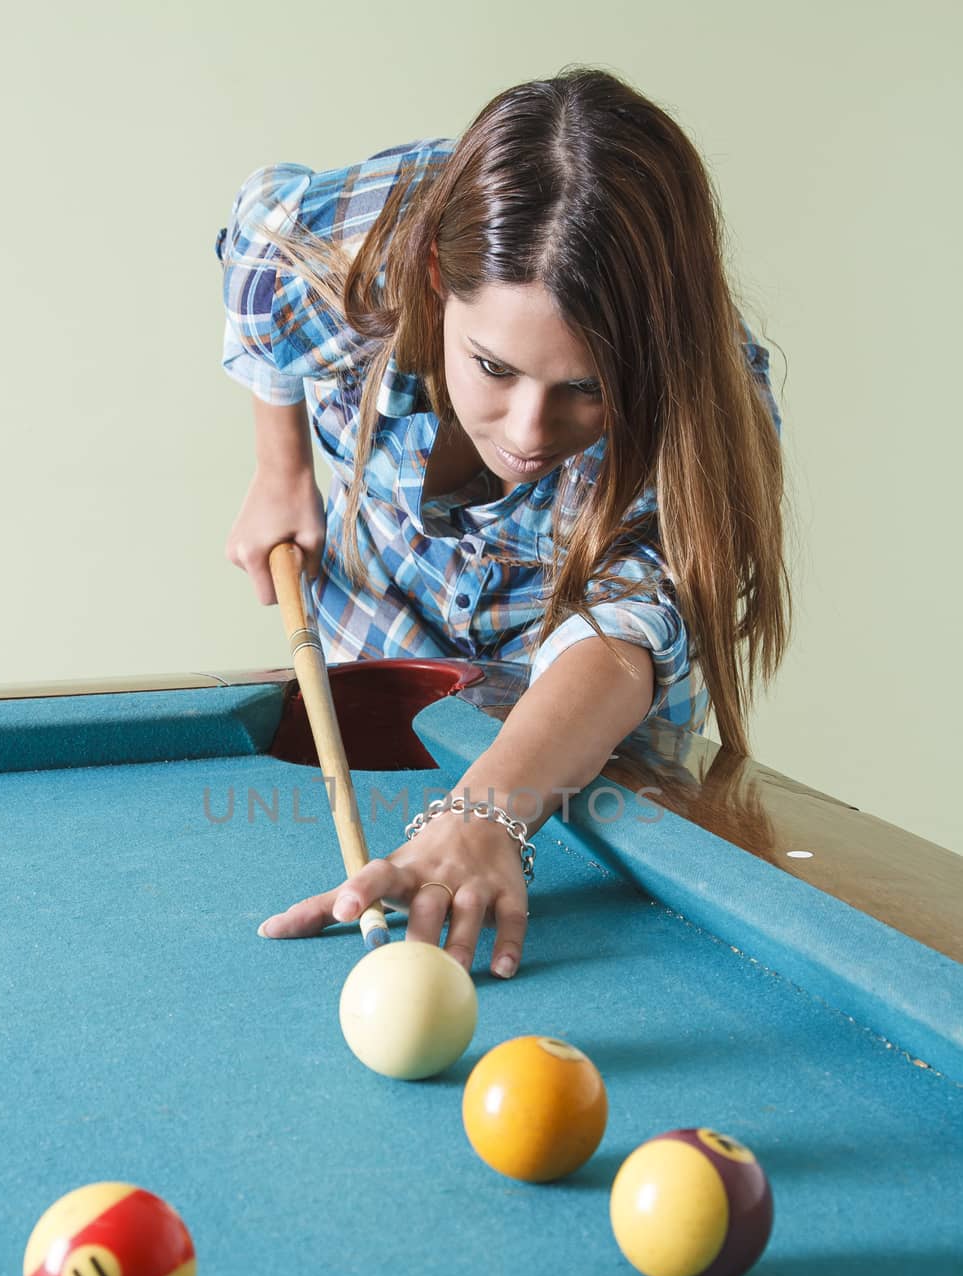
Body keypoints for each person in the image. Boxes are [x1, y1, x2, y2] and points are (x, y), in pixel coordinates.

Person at [215, 65, 789, 980]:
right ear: (438, 280)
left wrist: (485, 812)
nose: (528, 433)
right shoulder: (364, 241)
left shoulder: (706, 417)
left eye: (587, 389)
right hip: (382, 649)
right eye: (492, 367)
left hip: (584, 737)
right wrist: (279, 469)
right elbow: (257, 235)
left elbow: (620, 635)